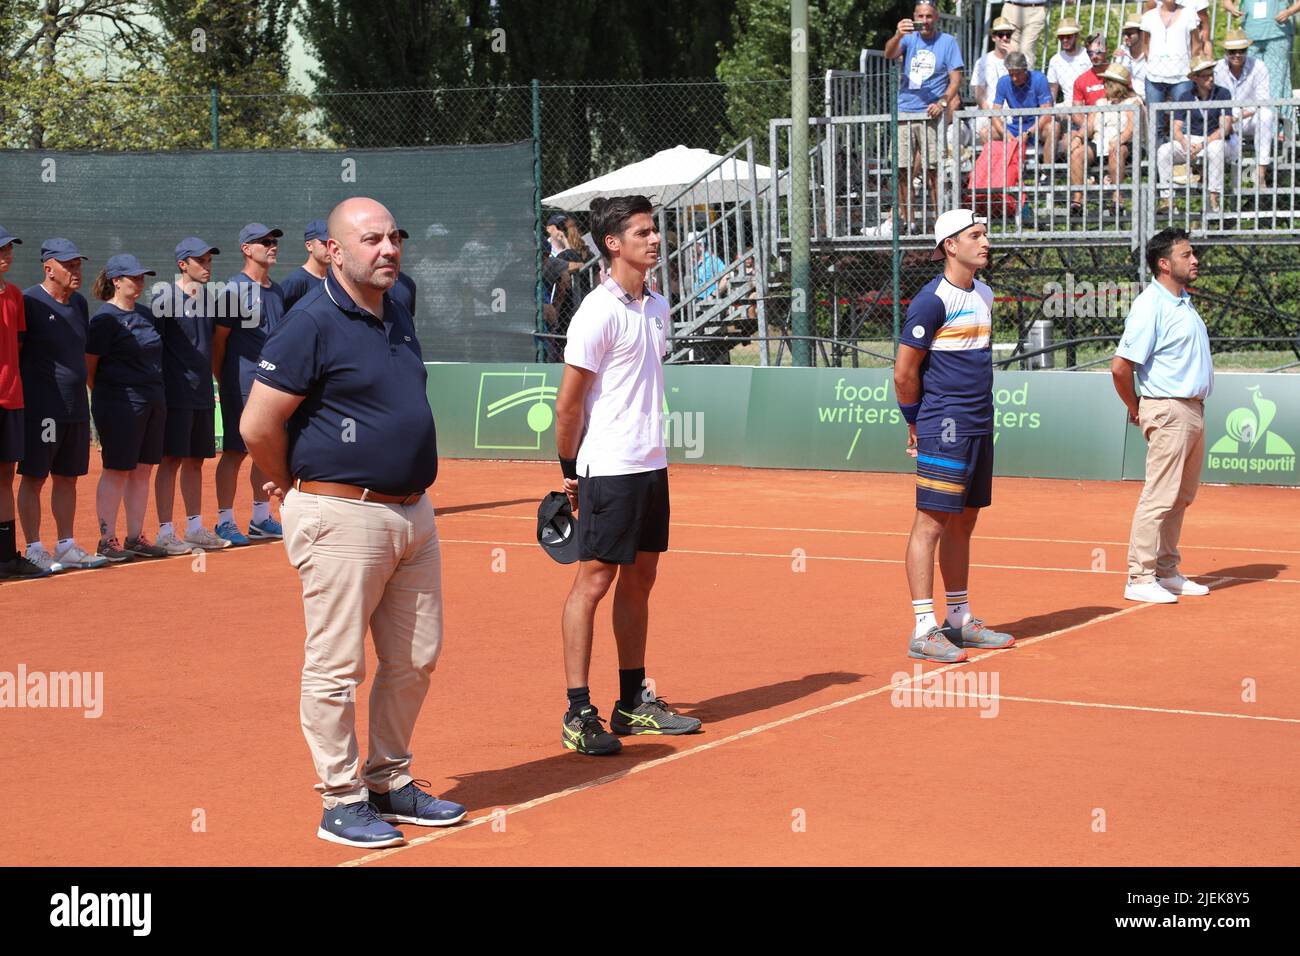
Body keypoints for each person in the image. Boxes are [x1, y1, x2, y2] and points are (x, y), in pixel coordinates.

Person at [240, 197, 464, 848]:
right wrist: (294, 487)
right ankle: (340, 800)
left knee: (416, 657)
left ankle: (389, 781)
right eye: (371, 240)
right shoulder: (308, 323)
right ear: (334, 251)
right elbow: (258, 425)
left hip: (412, 513)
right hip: (341, 513)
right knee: (336, 667)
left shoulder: (398, 307)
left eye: (394, 237)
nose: (388, 249)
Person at [554, 194, 702, 756]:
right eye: (642, 233)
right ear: (612, 244)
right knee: (593, 581)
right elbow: (569, 405)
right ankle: (577, 711)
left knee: (640, 580)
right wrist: (571, 471)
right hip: (607, 467)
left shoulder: (657, 307)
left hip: (650, 465)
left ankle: (632, 702)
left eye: (654, 231)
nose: (654, 240)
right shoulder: (597, 310)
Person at [893, 209, 1015, 664]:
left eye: (985, 234)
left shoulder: (983, 292)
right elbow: (905, 373)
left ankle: (959, 619)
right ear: (950, 245)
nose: (985, 242)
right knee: (931, 522)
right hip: (944, 424)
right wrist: (915, 421)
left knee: (965, 520)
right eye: (976, 236)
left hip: (980, 423)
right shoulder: (931, 301)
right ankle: (924, 627)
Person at [1111, 227, 1213, 605]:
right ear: (1165, 264)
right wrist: (1137, 408)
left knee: (1181, 497)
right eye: (1187, 255)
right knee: (1159, 495)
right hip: (1168, 408)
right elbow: (1120, 367)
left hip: (1193, 409)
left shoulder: (1183, 302)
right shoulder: (1150, 305)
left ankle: (1167, 571)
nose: (1195, 260)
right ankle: (1139, 576)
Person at [16, 239, 107, 572]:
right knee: (35, 476)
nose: (75, 270)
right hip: (43, 410)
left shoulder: (80, 303)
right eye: (68, 265)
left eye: (78, 264)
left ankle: (66, 545)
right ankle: (34, 548)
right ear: (48, 267)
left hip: (76, 408)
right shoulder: (29, 302)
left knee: (68, 477)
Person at [86, 255, 169, 562]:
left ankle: (136, 537)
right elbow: (89, 367)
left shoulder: (147, 314)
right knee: (117, 469)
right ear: (116, 281)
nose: (140, 281)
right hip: (118, 404)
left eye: (142, 276)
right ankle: (107, 539)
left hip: (152, 401)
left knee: (143, 470)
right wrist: (113, 396)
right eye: (133, 277)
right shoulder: (104, 320)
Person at [152, 238, 229, 554]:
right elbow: (153, 348)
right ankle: (165, 532)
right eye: (201, 261)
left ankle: (195, 528)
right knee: (171, 459)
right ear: (183, 264)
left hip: (201, 393)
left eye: (209, 261)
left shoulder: (211, 300)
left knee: (196, 460)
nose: (207, 266)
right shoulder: (164, 298)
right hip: (174, 392)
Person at [211, 222, 286, 546]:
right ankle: (225, 521)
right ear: (246, 249)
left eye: (274, 241)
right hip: (239, 384)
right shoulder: (233, 291)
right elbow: (219, 343)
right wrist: (224, 379)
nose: (273, 246)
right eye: (265, 241)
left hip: (271, 386)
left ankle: (260, 518)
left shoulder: (277, 290)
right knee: (234, 451)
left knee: (263, 451)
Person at [885, 1, 964, 229]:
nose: (925, 21)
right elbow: (889, 54)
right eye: (921, 16)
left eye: (929, 16)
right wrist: (898, 35)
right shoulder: (908, 39)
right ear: (914, 17)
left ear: (936, 17)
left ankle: (939, 221)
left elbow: (956, 79)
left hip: (931, 114)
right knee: (901, 170)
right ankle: (909, 221)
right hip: (904, 111)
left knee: (934, 170)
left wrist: (942, 101)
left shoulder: (948, 42)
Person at [0, 226, 47, 579]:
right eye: (1, 249)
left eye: (9, 248)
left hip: (12, 399)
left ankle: (6, 558)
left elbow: (15, 347)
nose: (7, 254)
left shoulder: (14, 295)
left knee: (5, 478)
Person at [1156, 58, 1233, 213]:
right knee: (1164, 150)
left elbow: (1225, 127)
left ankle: (1213, 197)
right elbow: (1176, 128)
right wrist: (1184, 143)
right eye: (1205, 76)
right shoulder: (1186, 96)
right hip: (1192, 139)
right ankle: (1167, 199)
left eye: (1212, 75)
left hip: (1216, 139)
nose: (1210, 78)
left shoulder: (1222, 93)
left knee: (1215, 149)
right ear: (1195, 78)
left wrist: (1203, 144)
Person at [1214, 29, 1277, 186]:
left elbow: (1262, 101)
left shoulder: (1259, 66)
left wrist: (1240, 116)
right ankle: (1210, 178)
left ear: (1247, 50)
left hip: (1249, 118)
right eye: (1232, 51)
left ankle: (1261, 172)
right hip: (1224, 119)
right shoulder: (1216, 68)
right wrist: (1228, 118)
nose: (1237, 54)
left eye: (1241, 50)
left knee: (1266, 115)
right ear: (1226, 52)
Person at [1222, 0, 1298, 119]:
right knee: (1250, 81)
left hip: (1278, 34)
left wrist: (1289, 12)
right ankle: (1250, 126)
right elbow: (1226, 2)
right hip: (1250, 36)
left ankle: (1276, 128)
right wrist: (1231, 8)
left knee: (1277, 83)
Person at [1065, 36, 1113, 215]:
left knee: (1118, 149)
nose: (1095, 56)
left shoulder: (1116, 74)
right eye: (1090, 52)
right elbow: (1077, 112)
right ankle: (1078, 199)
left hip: (1117, 132)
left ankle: (1116, 199)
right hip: (1094, 132)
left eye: (1098, 52)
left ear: (1106, 51)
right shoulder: (1081, 80)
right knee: (1076, 151)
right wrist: (1089, 128)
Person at [1143, 0, 1202, 142]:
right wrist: (1153, 62)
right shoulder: (1149, 16)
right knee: (1155, 125)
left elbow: (1196, 44)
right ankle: (1157, 162)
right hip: (1154, 77)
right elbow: (1145, 44)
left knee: (1184, 123)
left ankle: (1185, 161)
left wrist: (1190, 67)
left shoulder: (1189, 13)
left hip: (1182, 76)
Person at [991, 52, 1056, 168]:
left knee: (1053, 127)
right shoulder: (1003, 82)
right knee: (986, 133)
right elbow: (994, 114)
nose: (1015, 78)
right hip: (1016, 126)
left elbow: (1047, 113)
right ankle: (999, 172)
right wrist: (1006, 134)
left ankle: (1047, 173)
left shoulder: (1039, 79)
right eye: (1011, 75)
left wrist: (1028, 133)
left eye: (1018, 74)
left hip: (1037, 126)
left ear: (1025, 69)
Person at [972, 17, 1015, 145]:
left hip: (1012, 112)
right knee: (983, 129)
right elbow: (979, 95)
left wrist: (1013, 57)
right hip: (988, 111)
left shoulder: (1017, 58)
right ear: (994, 37)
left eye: (1008, 35)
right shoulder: (983, 61)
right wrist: (992, 115)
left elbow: (1023, 86)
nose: (1005, 38)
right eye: (1001, 35)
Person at [279, 219, 329, 311]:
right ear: (309, 246)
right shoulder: (295, 281)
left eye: (332, 243)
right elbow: (281, 318)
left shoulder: (334, 278)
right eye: (325, 243)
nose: (330, 248)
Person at [1046, 19, 1090, 104]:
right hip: (1068, 104)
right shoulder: (1055, 60)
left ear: (1076, 36)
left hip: (1089, 102)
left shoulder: (1088, 55)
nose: (1064, 40)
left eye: (1068, 36)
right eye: (1061, 37)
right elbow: (1052, 89)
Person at [1114, 16, 1150, 94]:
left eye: (1129, 34)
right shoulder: (1121, 52)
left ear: (1142, 34)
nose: (1126, 37)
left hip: (1149, 95)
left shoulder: (1151, 53)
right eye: (1124, 34)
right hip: (1128, 96)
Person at [390, 227, 418, 319]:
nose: (396, 245)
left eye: (399, 241)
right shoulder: (371, 281)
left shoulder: (409, 283)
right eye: (392, 240)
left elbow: (409, 319)